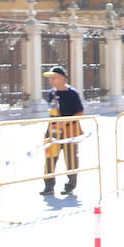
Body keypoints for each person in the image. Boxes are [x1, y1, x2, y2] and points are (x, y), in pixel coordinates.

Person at [40, 64, 84, 197]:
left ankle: (70, 186)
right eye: (50, 78)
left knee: (71, 158)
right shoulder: (51, 93)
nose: (51, 80)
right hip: (52, 130)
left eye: (53, 77)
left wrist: (64, 123)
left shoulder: (72, 93)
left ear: (62, 78)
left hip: (69, 131)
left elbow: (80, 112)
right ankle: (49, 186)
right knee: (50, 157)